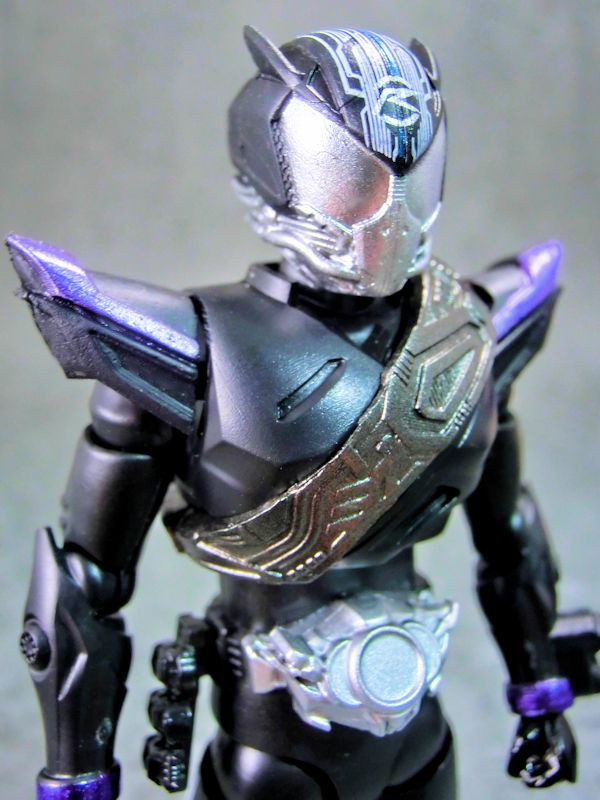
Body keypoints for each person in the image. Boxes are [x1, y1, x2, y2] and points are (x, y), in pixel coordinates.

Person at [9, 26, 594, 800]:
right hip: (275, 750)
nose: (390, 219)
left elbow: (510, 539)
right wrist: (77, 771)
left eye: (411, 179)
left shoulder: (468, 332)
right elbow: (87, 582)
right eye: (357, 181)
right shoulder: (197, 348)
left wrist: (542, 691)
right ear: (276, 173)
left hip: (419, 734)